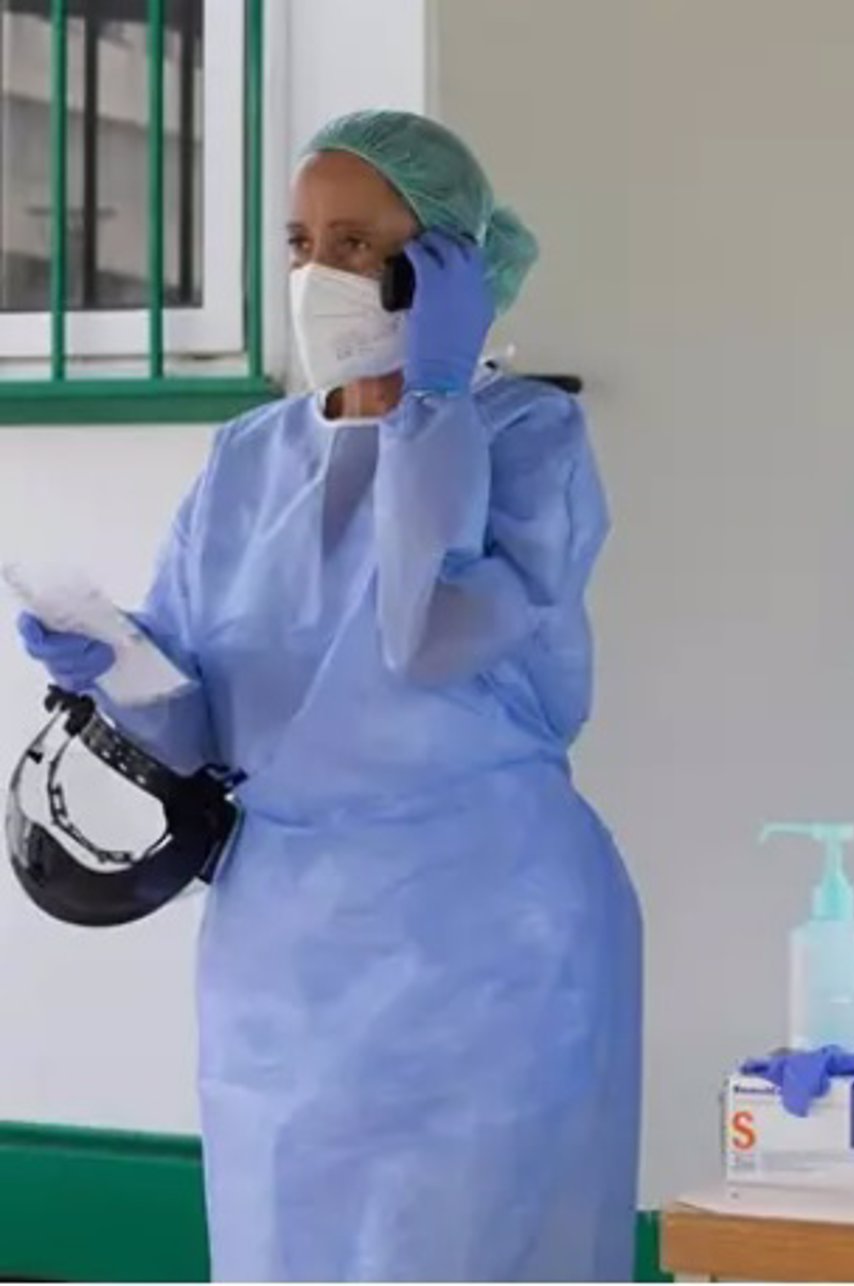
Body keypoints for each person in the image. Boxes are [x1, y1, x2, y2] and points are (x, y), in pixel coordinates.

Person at [16, 110, 641, 1280]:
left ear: (443, 264)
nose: (319, 274)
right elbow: (211, 721)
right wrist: (119, 671)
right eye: (303, 242)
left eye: (358, 245)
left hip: (486, 945)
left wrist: (435, 405)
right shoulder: (250, 458)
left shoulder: (528, 438)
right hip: (288, 958)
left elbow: (431, 626)